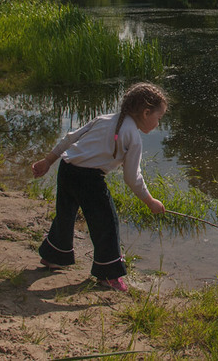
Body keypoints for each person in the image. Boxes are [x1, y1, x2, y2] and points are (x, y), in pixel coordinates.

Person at [31, 82, 167, 292]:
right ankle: (108, 274)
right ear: (146, 112)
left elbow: (70, 138)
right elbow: (132, 178)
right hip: (89, 179)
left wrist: (48, 161)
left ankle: (53, 257)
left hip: (67, 169)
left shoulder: (104, 119)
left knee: (65, 214)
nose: (158, 123)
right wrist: (150, 201)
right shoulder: (133, 136)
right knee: (106, 223)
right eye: (159, 118)